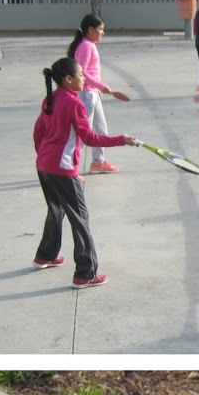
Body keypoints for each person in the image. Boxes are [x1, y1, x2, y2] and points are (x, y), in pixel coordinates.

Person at [32, 57, 139, 287]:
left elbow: (38, 131)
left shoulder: (51, 99)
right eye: (81, 75)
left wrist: (44, 158)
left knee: (56, 209)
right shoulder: (74, 104)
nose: (84, 78)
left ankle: (46, 255)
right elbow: (89, 138)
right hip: (60, 168)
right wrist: (122, 140)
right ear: (68, 79)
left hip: (44, 166)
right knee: (80, 218)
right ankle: (85, 273)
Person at [68, 14, 119, 175]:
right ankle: (69, 168)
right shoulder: (86, 46)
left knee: (101, 130)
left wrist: (97, 89)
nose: (103, 33)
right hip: (85, 95)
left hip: (91, 93)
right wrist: (101, 86)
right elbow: (81, 73)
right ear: (91, 30)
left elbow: (89, 72)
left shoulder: (89, 44)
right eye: (101, 29)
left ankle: (98, 162)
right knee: (84, 134)